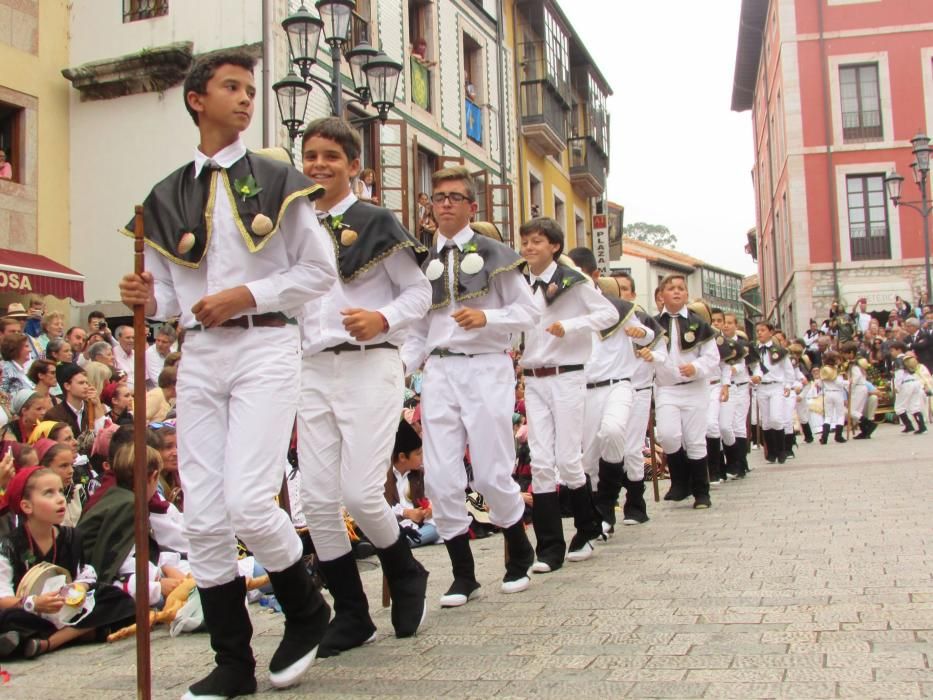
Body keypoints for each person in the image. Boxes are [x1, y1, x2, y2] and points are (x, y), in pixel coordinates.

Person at [118, 49, 337, 698]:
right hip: (199, 355)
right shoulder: (164, 196)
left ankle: (305, 608)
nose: (245, 99)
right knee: (205, 517)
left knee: (247, 500)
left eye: (249, 89)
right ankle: (232, 663)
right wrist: (141, 297)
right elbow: (161, 296)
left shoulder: (277, 181)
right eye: (231, 88)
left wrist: (247, 295)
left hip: (265, 347)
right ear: (197, 99)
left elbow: (317, 272)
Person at [296, 116, 430, 656]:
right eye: (311, 155)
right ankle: (351, 615)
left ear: (355, 166)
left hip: (370, 363)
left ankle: (405, 568)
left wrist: (381, 318)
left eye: (332, 156)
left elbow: (418, 295)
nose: (319, 165)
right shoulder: (291, 223)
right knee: (316, 499)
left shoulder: (376, 221)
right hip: (311, 368)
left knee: (358, 491)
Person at [400, 166, 539, 609]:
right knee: (440, 476)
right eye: (438, 196)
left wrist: (488, 318)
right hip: (439, 371)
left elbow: (530, 314)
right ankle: (464, 573)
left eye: (455, 197)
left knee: (490, 470)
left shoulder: (497, 255)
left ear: (472, 206)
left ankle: (518, 549)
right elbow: (417, 332)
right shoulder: (422, 262)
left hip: (486, 367)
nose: (445, 204)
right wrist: (399, 370)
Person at [518, 223, 617, 570]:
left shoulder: (575, 283)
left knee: (567, 459)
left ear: (555, 246)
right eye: (525, 242)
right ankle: (549, 548)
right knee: (541, 460)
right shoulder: (519, 282)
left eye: (537, 242)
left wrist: (571, 326)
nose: (529, 247)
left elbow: (608, 313)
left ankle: (587, 530)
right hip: (534, 378)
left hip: (567, 376)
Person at [0, 466, 136, 659]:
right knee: (8, 619)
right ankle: (84, 633)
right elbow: (2, 598)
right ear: (26, 506)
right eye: (49, 493)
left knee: (115, 597)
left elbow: (83, 575)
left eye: (60, 491)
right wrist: (35, 603)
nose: (60, 499)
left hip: (68, 610)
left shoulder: (72, 536)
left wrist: (77, 589)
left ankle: (47, 643)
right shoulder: (9, 546)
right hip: (30, 614)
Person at [566, 249, 654, 535]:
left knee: (614, 431)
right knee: (589, 457)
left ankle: (607, 505)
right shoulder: (566, 309)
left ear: (594, 276)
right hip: (584, 390)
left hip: (618, 385)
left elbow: (648, 332)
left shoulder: (617, 309)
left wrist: (643, 335)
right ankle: (598, 517)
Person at [652, 275, 719, 509]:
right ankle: (680, 482)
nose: (676, 292)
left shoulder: (698, 323)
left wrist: (696, 367)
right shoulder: (652, 324)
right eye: (671, 288)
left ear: (687, 295)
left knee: (695, 440)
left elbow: (712, 357)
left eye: (681, 288)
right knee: (668, 435)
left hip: (694, 388)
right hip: (666, 388)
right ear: (661, 295)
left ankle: (702, 491)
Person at [385, 419, 439, 548]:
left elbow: (434, 497)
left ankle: (401, 544)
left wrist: (430, 509)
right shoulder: (384, 477)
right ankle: (400, 543)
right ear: (402, 457)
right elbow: (379, 507)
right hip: (394, 526)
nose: (422, 457)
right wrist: (407, 513)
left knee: (437, 526)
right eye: (418, 454)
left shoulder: (420, 474)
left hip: (421, 526)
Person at [752, 322, 795, 463]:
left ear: (770, 332)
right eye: (757, 331)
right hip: (761, 387)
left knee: (776, 418)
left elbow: (788, 370)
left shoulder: (779, 351)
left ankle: (782, 450)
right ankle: (771, 452)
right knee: (766, 421)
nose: (759, 333)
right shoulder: (754, 350)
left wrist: (788, 385)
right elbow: (752, 368)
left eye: (763, 330)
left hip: (776, 386)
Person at [44, 366, 98, 440]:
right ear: (67, 386)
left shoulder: (92, 409)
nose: (86, 386)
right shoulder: (53, 415)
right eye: (81, 383)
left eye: (87, 383)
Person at [841, 340, 875, 440]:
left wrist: (848, 385)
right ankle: (865, 431)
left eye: (845, 353)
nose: (844, 356)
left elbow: (856, 378)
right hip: (859, 388)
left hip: (858, 388)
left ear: (851, 353)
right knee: (856, 411)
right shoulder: (853, 364)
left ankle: (869, 424)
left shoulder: (854, 365)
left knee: (851, 411)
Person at [890, 341, 927, 434]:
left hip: (905, 384)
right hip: (914, 382)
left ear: (898, 350)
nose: (891, 353)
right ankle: (922, 427)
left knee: (899, 407)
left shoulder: (898, 360)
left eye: (892, 350)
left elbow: (899, 374)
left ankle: (908, 425)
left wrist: (897, 387)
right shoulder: (909, 358)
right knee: (915, 406)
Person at [818, 352, 847, 444]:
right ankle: (838, 435)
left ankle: (824, 437)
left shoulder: (824, 370)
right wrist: (848, 382)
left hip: (827, 393)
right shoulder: (836, 370)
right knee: (840, 415)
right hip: (837, 393)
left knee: (828, 416)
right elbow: (839, 383)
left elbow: (819, 383)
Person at [0, 333, 35, 397]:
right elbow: (2, 394)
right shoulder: (5, 368)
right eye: (26, 346)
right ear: (15, 349)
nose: (30, 350)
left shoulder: (23, 368)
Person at [144, 324, 176, 390]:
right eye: (158, 340)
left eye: (164, 342)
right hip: (158, 391)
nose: (159, 344)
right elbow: (158, 381)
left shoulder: (173, 352)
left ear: (171, 343)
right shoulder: (149, 353)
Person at [111, 326, 136, 390]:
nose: (131, 340)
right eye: (128, 338)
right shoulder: (112, 354)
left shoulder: (137, 355)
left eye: (133, 338)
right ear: (119, 338)